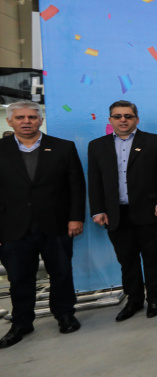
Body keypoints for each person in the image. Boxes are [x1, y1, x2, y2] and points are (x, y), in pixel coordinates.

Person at [0, 101, 85, 348]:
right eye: (20, 118)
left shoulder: (62, 147)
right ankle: (22, 323)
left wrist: (75, 217)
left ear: (39, 120)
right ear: (10, 121)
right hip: (12, 227)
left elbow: (76, 187)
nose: (26, 122)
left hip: (57, 224)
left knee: (61, 273)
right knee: (18, 278)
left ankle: (65, 315)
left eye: (31, 117)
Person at [87, 101, 157, 322]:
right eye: (117, 116)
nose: (123, 120)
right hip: (116, 214)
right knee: (127, 260)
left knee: (152, 257)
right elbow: (95, 181)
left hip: (150, 212)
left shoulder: (155, 142)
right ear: (110, 120)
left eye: (128, 116)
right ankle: (134, 300)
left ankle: (154, 298)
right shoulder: (97, 146)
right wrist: (97, 210)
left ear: (136, 119)